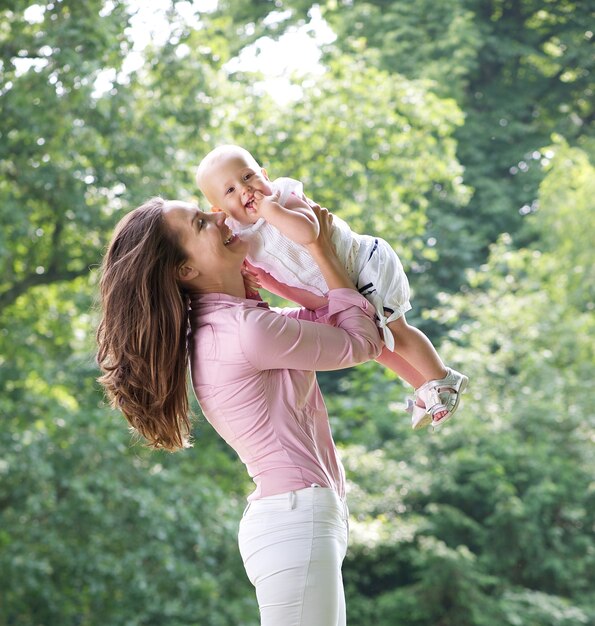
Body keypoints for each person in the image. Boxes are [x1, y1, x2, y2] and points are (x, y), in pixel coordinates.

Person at [96, 196, 383, 626]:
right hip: (296, 520)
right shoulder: (246, 332)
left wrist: (265, 278)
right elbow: (362, 341)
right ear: (185, 270)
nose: (218, 215)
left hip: (300, 518)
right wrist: (319, 247)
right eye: (200, 222)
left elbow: (328, 320)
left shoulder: (239, 322)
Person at [195, 144, 468, 429]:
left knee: (396, 331)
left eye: (248, 177)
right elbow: (280, 283)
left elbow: (310, 233)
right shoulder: (243, 238)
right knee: (380, 347)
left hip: (364, 266)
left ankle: (444, 378)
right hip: (339, 290)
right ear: (219, 210)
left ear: (264, 174)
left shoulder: (283, 196)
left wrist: (270, 209)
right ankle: (423, 387)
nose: (245, 190)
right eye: (230, 191)